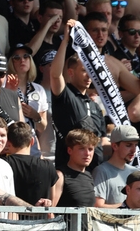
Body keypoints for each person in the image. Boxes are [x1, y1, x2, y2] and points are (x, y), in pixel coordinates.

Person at [50, 20, 106, 170]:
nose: (89, 75)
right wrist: (66, 41)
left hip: (95, 171)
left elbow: (102, 139)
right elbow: (55, 75)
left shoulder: (94, 104)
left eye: (90, 71)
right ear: (70, 73)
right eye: (83, 70)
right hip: (68, 170)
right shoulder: (65, 95)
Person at [3, 121, 58, 207]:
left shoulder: (3, 164)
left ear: (8, 143)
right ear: (32, 141)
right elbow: (52, 201)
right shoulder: (48, 166)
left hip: (10, 218)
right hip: (41, 219)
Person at [7, 44, 48, 155]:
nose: (22, 60)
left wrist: (36, 116)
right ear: (11, 62)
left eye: (26, 56)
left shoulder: (38, 89)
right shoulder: (3, 85)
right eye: (17, 57)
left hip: (31, 142)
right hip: (9, 141)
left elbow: (42, 127)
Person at [93, 125, 140, 208]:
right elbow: (97, 206)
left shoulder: (136, 172)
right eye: (128, 145)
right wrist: (127, 206)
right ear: (115, 146)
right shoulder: (101, 171)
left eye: (136, 145)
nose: (134, 150)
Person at [57, 129, 100, 207]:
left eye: (90, 149)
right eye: (82, 148)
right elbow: (50, 211)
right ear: (70, 150)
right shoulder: (60, 175)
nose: (87, 154)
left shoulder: (89, 176)